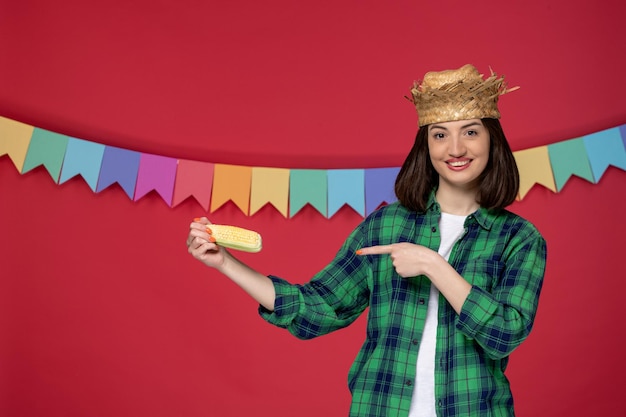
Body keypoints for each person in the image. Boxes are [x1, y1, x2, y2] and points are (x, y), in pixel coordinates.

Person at [186, 64, 547, 417]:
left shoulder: (519, 238)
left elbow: (504, 333)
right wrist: (225, 263)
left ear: (491, 140)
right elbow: (319, 307)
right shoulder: (385, 226)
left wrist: (433, 265)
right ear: (426, 145)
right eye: (439, 134)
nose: (455, 149)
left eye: (470, 132)